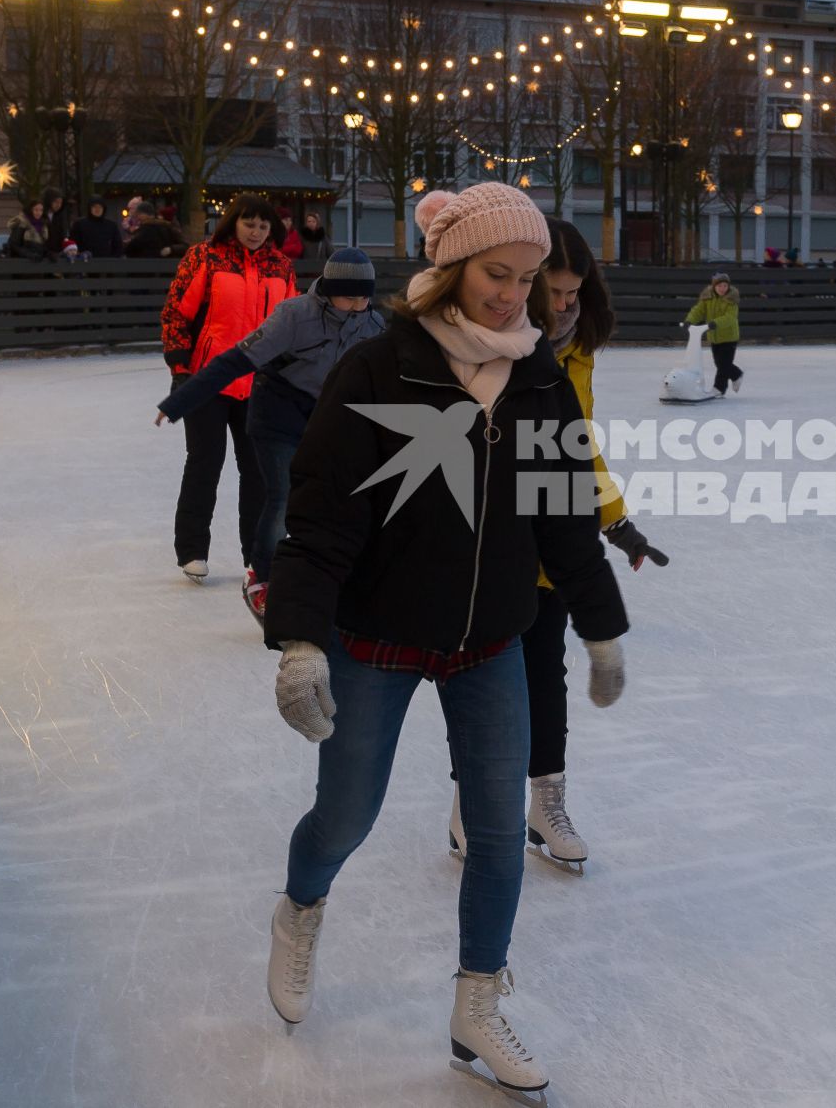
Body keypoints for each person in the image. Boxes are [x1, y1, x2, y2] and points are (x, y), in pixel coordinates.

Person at [261, 182, 630, 1094]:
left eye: (530, 278)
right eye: (496, 274)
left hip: (490, 643)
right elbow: (317, 522)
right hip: (376, 636)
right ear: (452, 268)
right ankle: (301, 907)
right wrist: (301, 639)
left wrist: (602, 626)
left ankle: (476, 1004)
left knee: (501, 830)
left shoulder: (541, 381)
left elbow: (565, 522)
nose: (514, 295)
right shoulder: (381, 370)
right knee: (347, 814)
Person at [447, 218, 667, 868]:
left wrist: (614, 518)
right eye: (556, 291)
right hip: (488, 535)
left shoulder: (578, 352)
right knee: (485, 677)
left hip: (553, 534)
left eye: (576, 292)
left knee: (545, 672)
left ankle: (545, 801)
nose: (567, 305)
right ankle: (467, 802)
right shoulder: (487, 343)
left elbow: (578, 446)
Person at [155, 248, 384, 623]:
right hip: (276, 411)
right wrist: (180, 400)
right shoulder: (294, 316)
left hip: (325, 414)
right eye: (350, 296)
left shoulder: (372, 324)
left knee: (338, 495)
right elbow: (234, 361)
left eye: (365, 297)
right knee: (281, 496)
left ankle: (330, 573)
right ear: (328, 290)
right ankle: (262, 577)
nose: (359, 305)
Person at [160, 193, 296, 585]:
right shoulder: (205, 257)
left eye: (263, 226)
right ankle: (192, 550)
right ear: (233, 222)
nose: (255, 232)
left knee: (258, 472)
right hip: (210, 379)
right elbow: (175, 312)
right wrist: (182, 367)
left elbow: (289, 327)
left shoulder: (281, 267)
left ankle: (256, 556)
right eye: (248, 224)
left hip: (260, 384)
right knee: (204, 462)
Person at [682, 270, 743, 394]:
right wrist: (689, 320)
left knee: (723, 365)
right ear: (714, 286)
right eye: (719, 286)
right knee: (719, 363)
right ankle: (736, 375)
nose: (722, 289)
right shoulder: (707, 298)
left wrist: (715, 323)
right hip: (714, 337)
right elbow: (698, 311)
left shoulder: (731, 300)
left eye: (725, 286)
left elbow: (730, 318)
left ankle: (719, 389)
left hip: (729, 337)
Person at [125, 201, 189, 261]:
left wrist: (171, 249)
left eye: (139, 214)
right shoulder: (167, 227)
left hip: (145, 269)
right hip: (165, 269)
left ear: (145, 214)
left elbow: (129, 250)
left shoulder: (164, 228)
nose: (137, 217)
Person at [70, 197, 125, 261]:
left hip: (106, 264)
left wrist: (112, 260)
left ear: (103, 209)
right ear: (90, 208)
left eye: (100, 207)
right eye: (94, 207)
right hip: (84, 263)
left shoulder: (111, 225)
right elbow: (73, 244)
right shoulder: (79, 224)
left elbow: (118, 246)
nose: (97, 209)